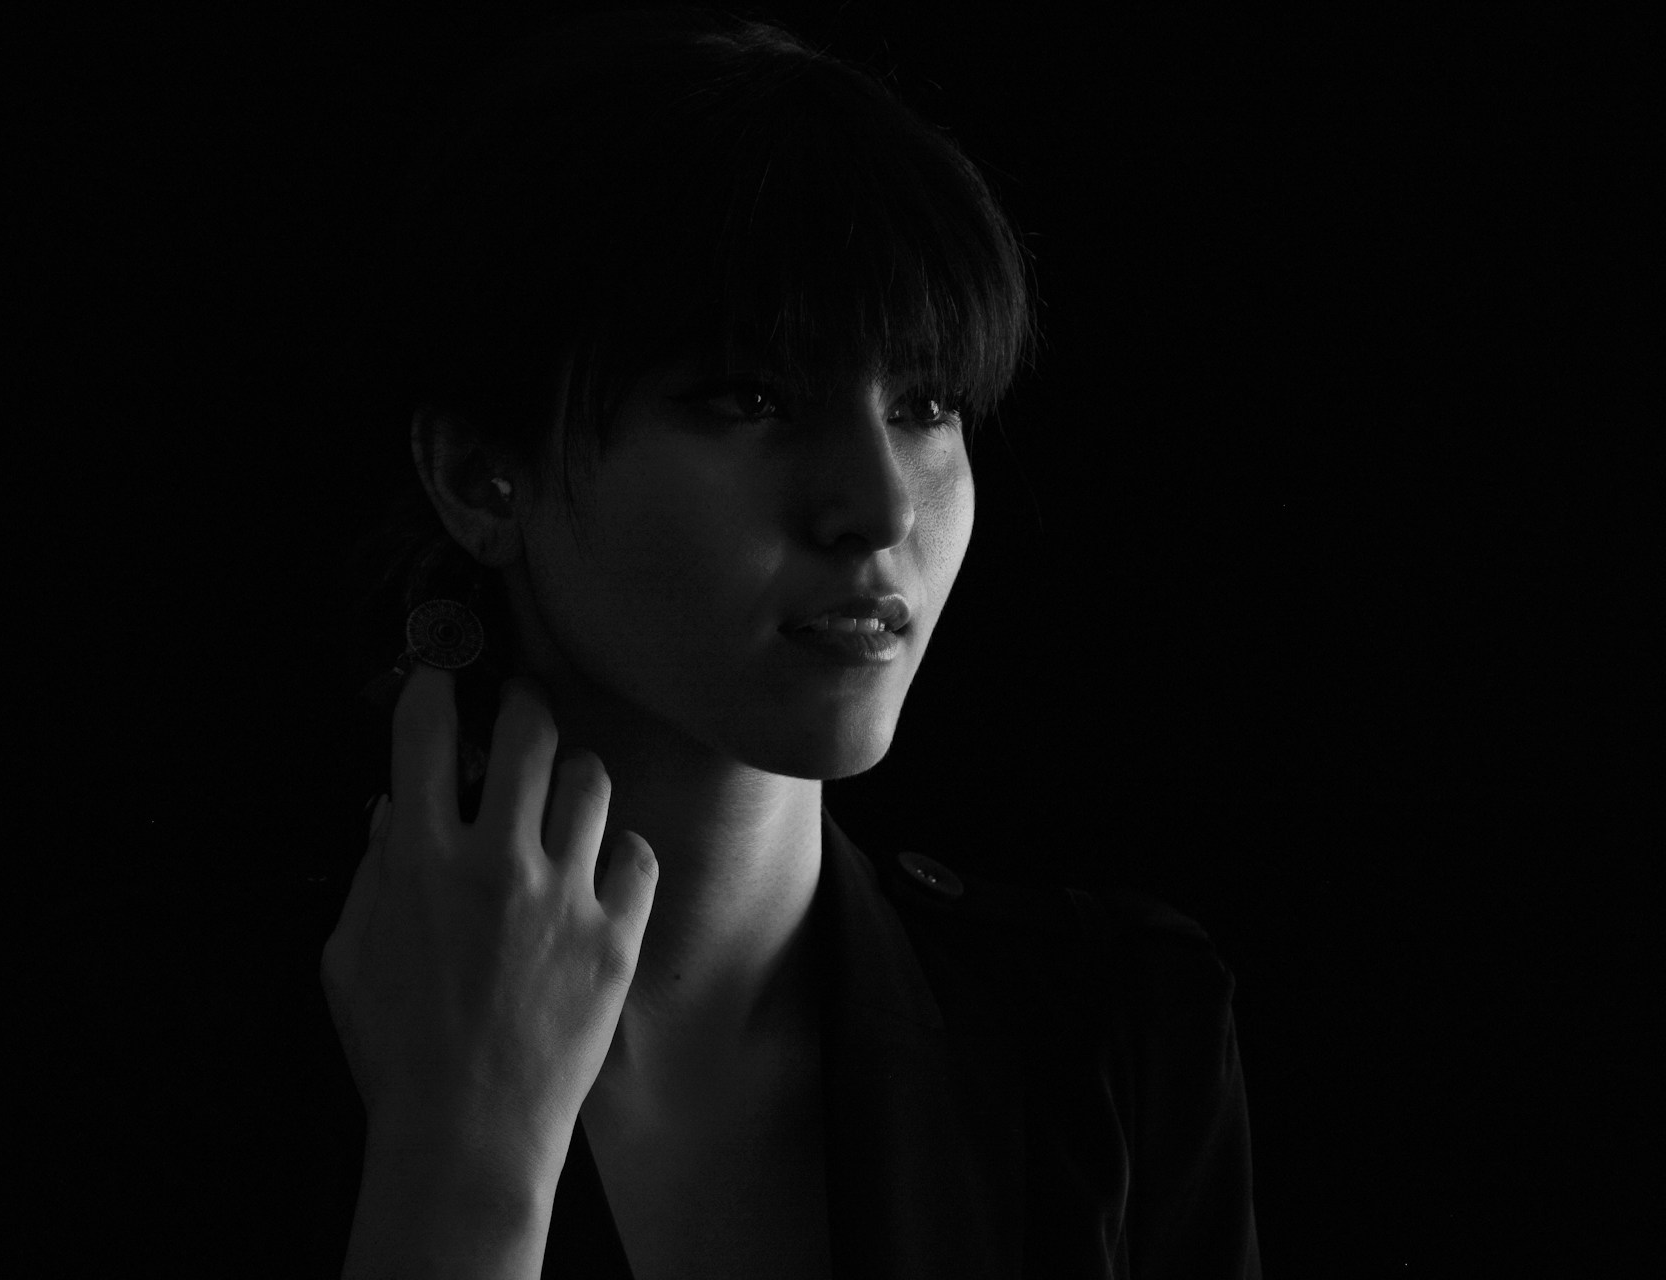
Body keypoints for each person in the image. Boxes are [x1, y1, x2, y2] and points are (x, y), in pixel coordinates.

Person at [322, 6, 1261, 1278]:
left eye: (925, 402)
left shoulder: (1110, 1037)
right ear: (483, 476)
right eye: (749, 398)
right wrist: (460, 1165)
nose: (876, 508)